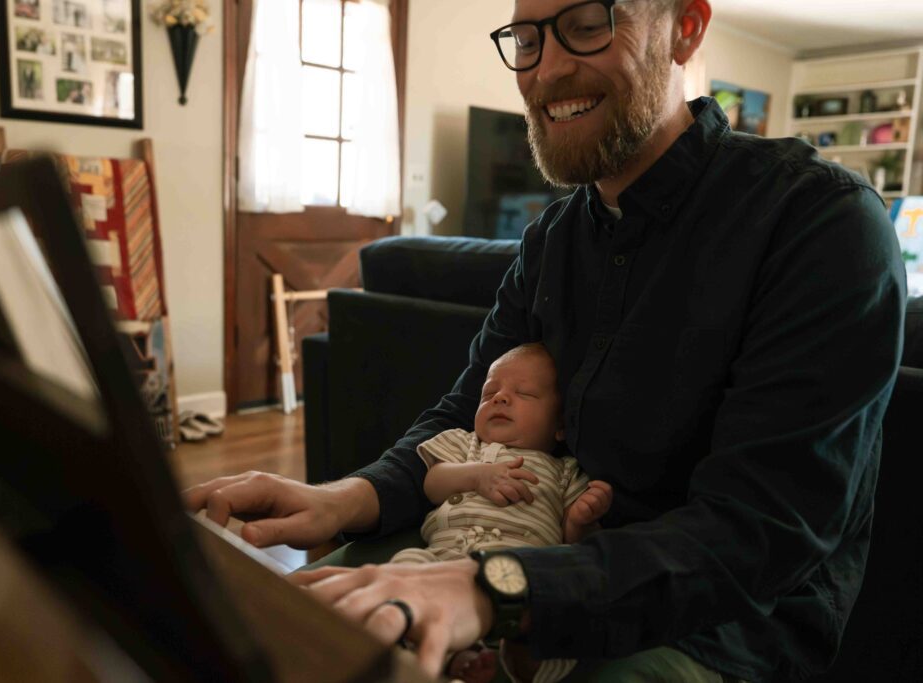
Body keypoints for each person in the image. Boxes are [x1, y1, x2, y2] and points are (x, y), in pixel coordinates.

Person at [185, 0, 906, 680]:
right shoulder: (552, 241)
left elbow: (757, 534)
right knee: (278, 631)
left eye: (588, 22)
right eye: (527, 39)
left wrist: (495, 586)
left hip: (713, 629)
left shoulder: (818, 223)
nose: (546, 69)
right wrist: (344, 497)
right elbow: (462, 415)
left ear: (684, 27)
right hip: (506, 546)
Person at [391, 343, 613, 683]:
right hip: (445, 560)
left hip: (522, 576)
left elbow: (575, 542)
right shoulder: (465, 444)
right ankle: (454, 655)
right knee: (405, 568)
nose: (500, 398)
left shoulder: (565, 470)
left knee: (565, 609)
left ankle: (525, 657)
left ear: (560, 426)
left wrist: (582, 519)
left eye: (523, 393)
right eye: (489, 392)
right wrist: (476, 475)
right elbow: (432, 483)